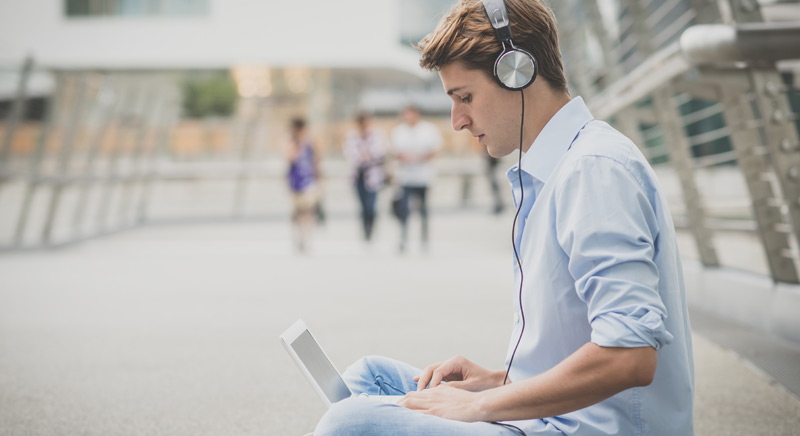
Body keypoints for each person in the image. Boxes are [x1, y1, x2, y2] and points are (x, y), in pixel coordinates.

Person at [314, 0, 694, 435]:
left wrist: (482, 406)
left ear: (518, 72)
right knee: (369, 377)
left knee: (353, 421)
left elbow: (630, 355)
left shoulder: (594, 171)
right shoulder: (556, 171)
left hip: (583, 430)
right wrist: (493, 381)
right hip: (552, 417)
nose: (457, 121)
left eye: (465, 97)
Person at [390, 105, 443, 252]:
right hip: (406, 177)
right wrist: (404, 157)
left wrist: (419, 157)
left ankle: (424, 240)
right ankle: (403, 239)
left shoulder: (428, 130)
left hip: (424, 177)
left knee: (424, 210)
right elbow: (394, 151)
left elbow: (435, 149)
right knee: (404, 210)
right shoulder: (399, 131)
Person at [342, 112, 389, 241]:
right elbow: (350, 153)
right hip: (358, 176)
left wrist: (367, 155)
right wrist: (362, 156)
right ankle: (365, 229)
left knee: (371, 205)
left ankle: (371, 226)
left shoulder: (377, 135)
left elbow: (381, 151)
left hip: (373, 175)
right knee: (362, 205)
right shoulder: (352, 136)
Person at [285, 117, 320, 252]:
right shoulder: (291, 142)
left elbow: (316, 160)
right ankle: (299, 235)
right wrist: (297, 145)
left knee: (308, 210)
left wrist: (319, 180)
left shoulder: (311, 142)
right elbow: (290, 158)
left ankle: (305, 237)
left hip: (308, 181)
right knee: (297, 211)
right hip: (295, 182)